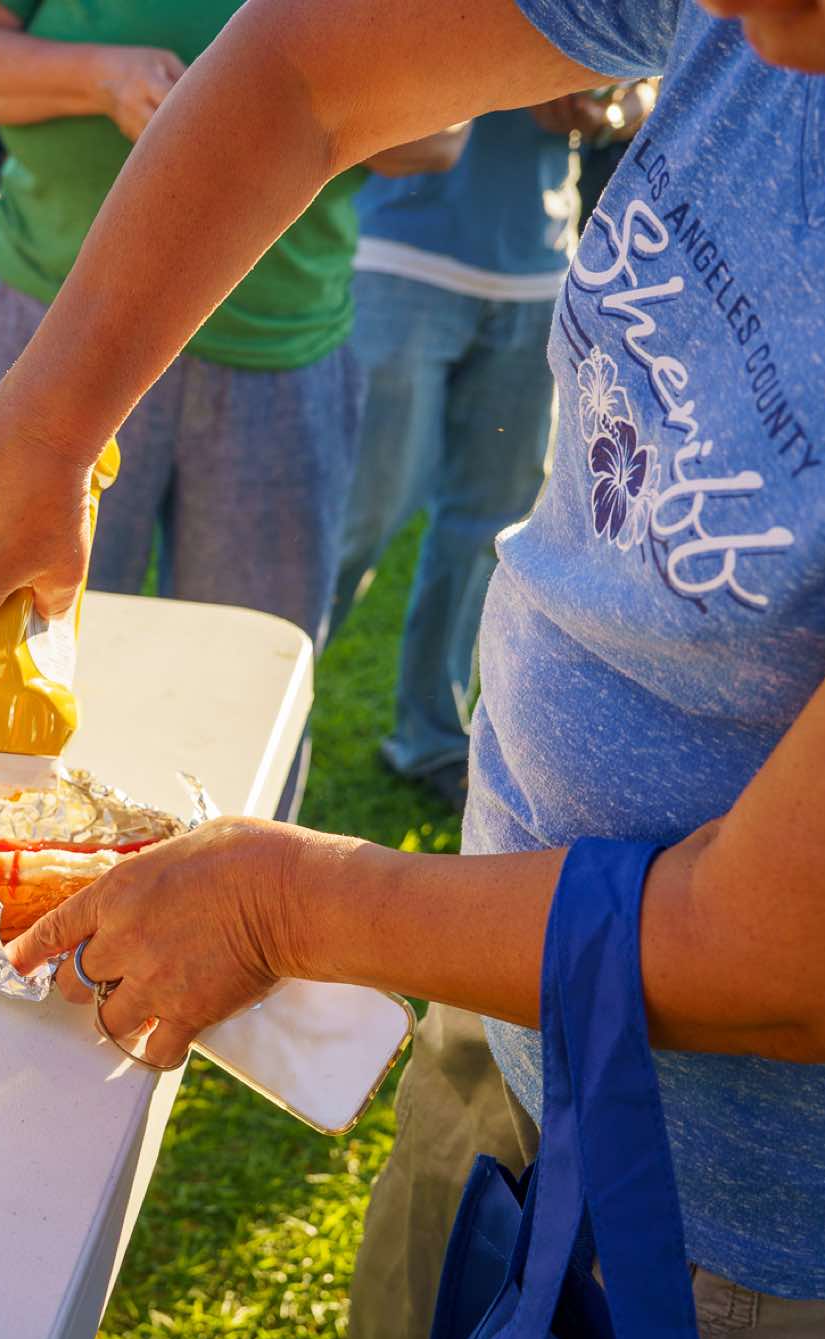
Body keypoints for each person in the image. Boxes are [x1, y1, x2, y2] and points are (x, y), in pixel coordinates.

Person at [0, 0, 825, 1339]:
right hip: (509, 991)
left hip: (786, 1229)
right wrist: (43, 426)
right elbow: (304, 68)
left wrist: (286, 904)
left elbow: (789, 957)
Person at [0, 0, 463, 815]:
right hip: (60, 331)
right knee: (21, 655)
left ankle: (228, 884)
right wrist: (107, 77)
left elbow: (446, 131)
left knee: (245, 685)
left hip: (279, 345)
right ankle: (12, 858)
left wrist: (281, 95)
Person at [328, 103, 598, 809]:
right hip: (403, 254)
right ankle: (266, 694)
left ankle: (434, 739)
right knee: (358, 514)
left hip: (541, 267)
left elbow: (644, 90)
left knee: (489, 529)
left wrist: (610, 108)